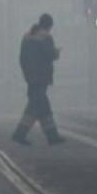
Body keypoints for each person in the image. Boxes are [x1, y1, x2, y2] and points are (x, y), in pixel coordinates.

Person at [12, 13, 65, 146]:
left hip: (30, 77)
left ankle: (52, 135)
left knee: (44, 107)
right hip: (41, 78)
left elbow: (22, 58)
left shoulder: (27, 37)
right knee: (34, 107)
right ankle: (19, 133)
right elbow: (49, 54)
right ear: (49, 25)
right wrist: (56, 53)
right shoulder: (46, 37)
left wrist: (27, 74)